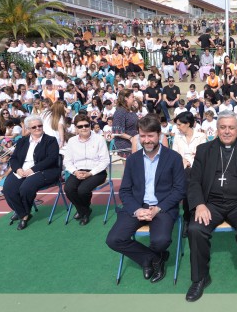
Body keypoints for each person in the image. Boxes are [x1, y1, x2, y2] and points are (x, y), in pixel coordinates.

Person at [185, 110, 237, 303]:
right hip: (211, 204)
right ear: (217, 129)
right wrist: (199, 205)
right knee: (195, 229)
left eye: (231, 127)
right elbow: (194, 181)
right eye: (223, 127)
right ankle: (200, 278)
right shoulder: (204, 150)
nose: (227, 131)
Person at [106, 114, 186, 284]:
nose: (147, 140)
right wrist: (137, 209)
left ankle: (151, 256)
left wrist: (158, 208)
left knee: (161, 241)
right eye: (142, 136)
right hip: (136, 205)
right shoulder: (133, 160)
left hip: (163, 207)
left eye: (151, 135)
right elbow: (125, 191)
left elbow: (180, 190)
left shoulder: (173, 158)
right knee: (113, 240)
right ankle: (153, 259)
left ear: (159, 135)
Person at [3, 115, 61, 230]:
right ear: (28, 129)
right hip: (22, 170)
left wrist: (32, 170)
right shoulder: (22, 141)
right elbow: (13, 158)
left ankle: (23, 216)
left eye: (40, 126)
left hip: (44, 170)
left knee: (26, 187)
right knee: (8, 188)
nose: (37, 128)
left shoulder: (50, 140)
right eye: (34, 127)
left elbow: (51, 159)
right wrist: (18, 169)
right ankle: (22, 213)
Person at [63, 115, 110, 225]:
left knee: (82, 190)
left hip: (97, 171)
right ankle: (84, 210)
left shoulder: (99, 139)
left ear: (90, 126)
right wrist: (75, 172)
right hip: (78, 171)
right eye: (80, 126)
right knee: (69, 189)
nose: (83, 128)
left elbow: (105, 161)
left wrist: (90, 173)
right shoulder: (72, 141)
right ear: (76, 128)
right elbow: (67, 161)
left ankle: (83, 212)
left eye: (86, 125)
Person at [172, 111, 207, 235]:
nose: (177, 127)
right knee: (187, 179)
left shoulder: (201, 136)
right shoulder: (177, 136)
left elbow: (202, 155)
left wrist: (189, 160)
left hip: (197, 168)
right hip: (182, 168)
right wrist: (184, 160)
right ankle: (189, 217)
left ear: (187, 124)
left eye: (179, 124)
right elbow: (175, 154)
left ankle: (189, 217)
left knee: (190, 180)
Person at [113, 89, 139, 159]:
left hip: (135, 141)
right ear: (126, 98)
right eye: (132, 97)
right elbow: (117, 132)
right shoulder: (120, 112)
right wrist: (131, 138)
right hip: (125, 144)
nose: (134, 99)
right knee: (130, 167)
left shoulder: (131, 110)